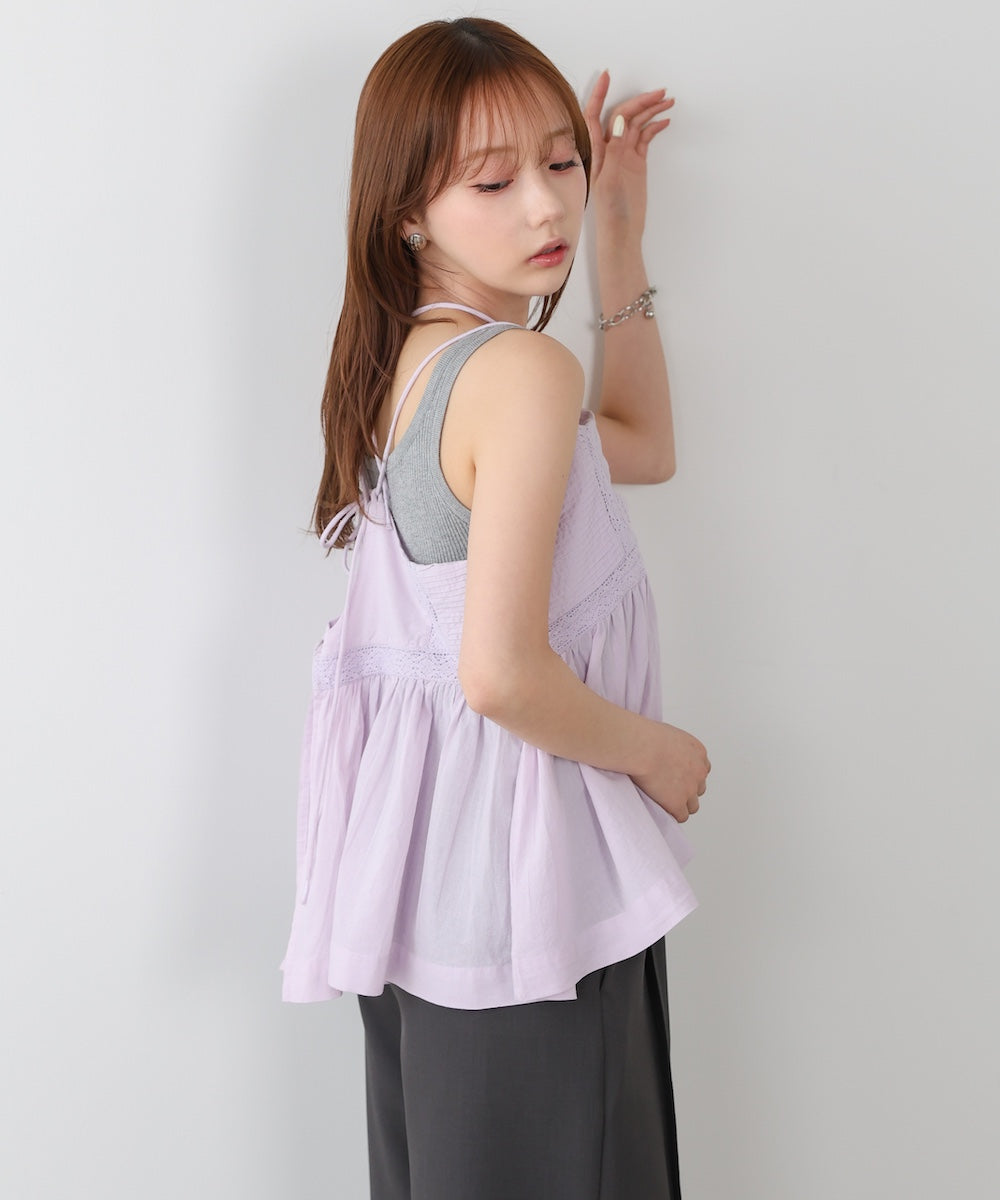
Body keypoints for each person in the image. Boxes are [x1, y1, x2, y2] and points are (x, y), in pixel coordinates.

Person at [280, 15, 711, 1199]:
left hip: (432, 907)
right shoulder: (516, 372)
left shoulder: (407, 363)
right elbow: (501, 674)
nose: (543, 204)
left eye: (560, 162)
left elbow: (641, 444)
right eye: (491, 180)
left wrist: (614, 234)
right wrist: (659, 754)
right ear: (407, 214)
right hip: (529, 901)